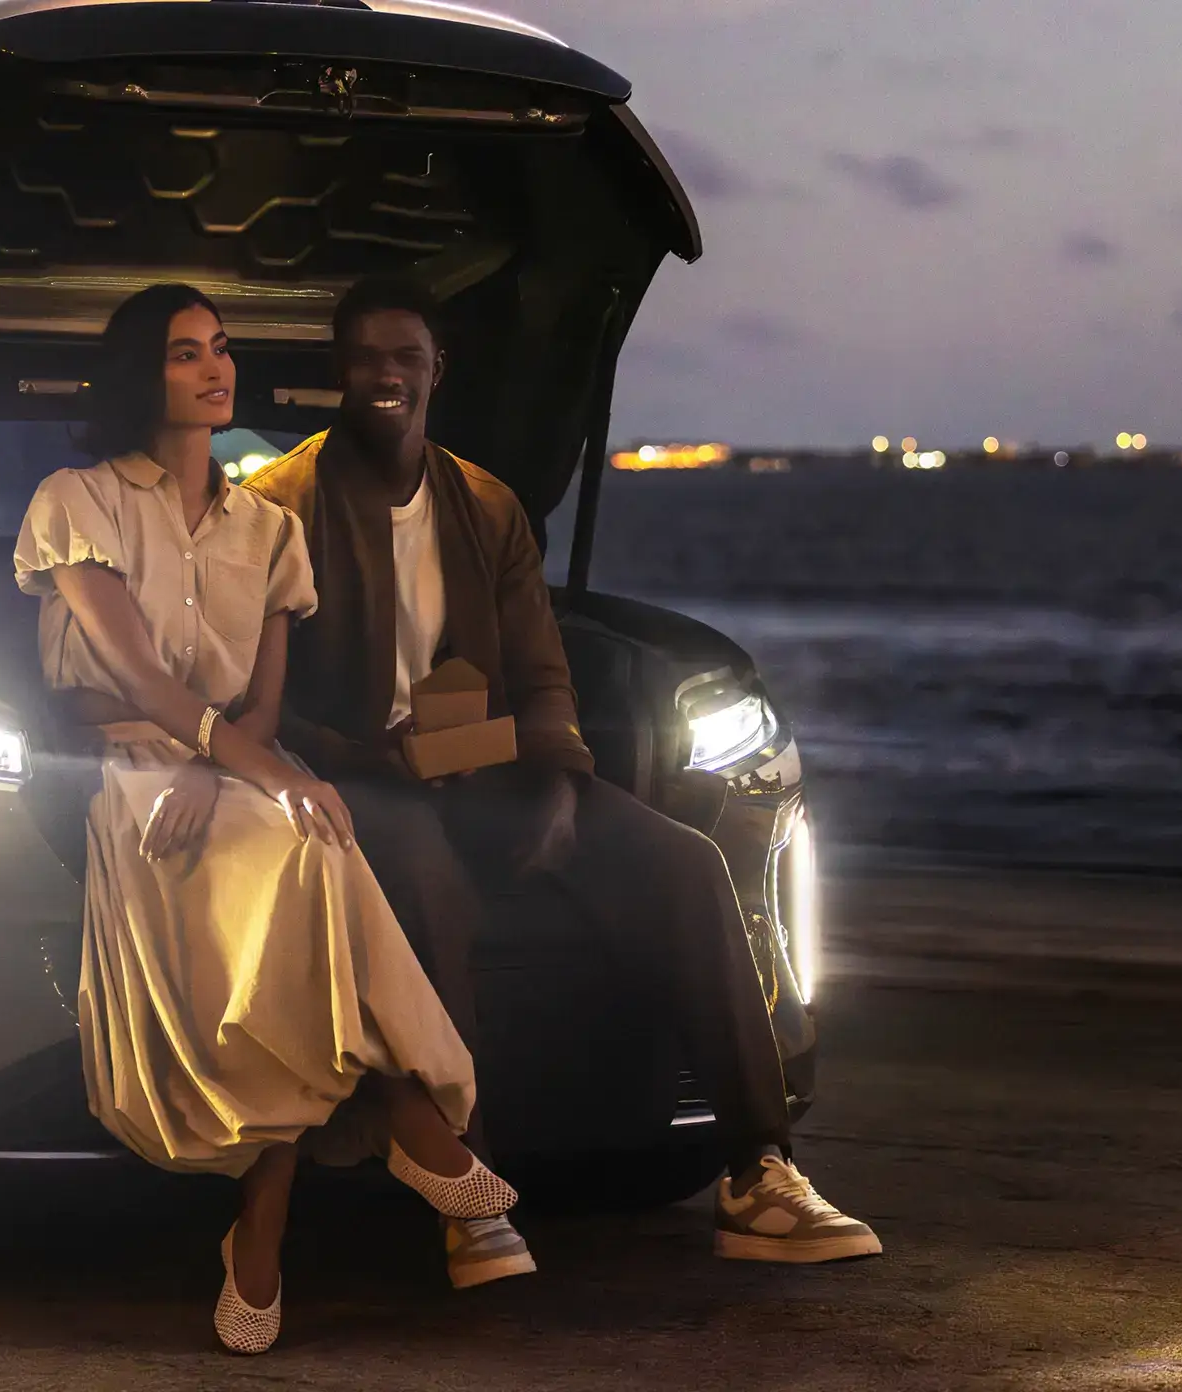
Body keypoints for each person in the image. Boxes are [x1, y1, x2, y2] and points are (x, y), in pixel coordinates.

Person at [244, 276, 881, 1265]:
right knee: (426, 885)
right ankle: (472, 1196)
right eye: (366, 357)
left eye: (405, 359)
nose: (385, 376)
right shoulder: (272, 507)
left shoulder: (486, 503)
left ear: (435, 372)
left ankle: (760, 1171)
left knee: (682, 864)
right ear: (339, 369)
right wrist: (363, 760)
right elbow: (261, 699)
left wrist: (557, 785)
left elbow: (543, 677)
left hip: (493, 773)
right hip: (358, 782)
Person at [12, 283, 534, 1357]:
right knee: (303, 839)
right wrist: (233, 767)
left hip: (233, 768)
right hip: (129, 774)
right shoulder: (78, 499)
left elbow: (262, 696)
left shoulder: (268, 524)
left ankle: (263, 1230)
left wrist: (241, 767)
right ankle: (409, 1118)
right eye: (183, 353)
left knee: (308, 841)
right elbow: (138, 681)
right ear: (140, 375)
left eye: (220, 348)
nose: (215, 368)